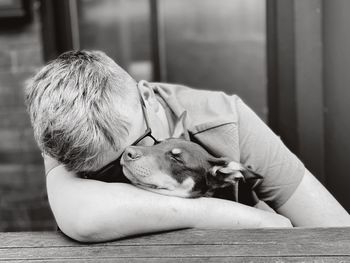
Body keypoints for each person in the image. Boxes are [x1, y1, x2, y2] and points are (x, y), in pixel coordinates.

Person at [25, 50, 350, 242]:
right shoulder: (65, 129)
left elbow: (338, 234)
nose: (127, 165)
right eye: (106, 170)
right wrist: (247, 218)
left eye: (137, 144)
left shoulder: (225, 120)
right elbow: (83, 217)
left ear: (148, 99)